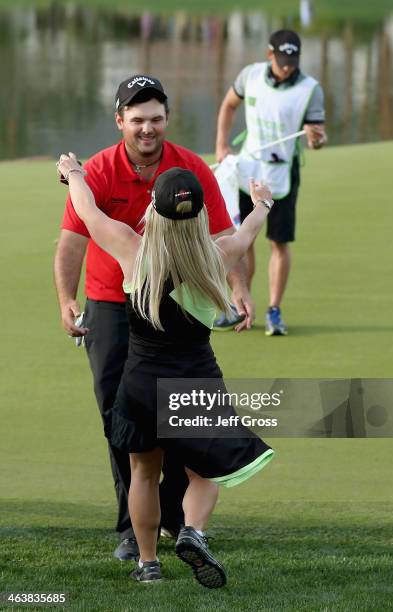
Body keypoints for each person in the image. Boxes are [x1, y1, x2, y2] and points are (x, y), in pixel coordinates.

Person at [54, 75, 253, 561]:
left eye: (157, 119)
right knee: (121, 420)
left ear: (167, 119)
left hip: (173, 306)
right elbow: (73, 240)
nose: (148, 129)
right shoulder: (101, 169)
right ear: (120, 120)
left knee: (172, 420)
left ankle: (168, 522)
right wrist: (66, 298)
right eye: (138, 119)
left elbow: (226, 232)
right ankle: (132, 528)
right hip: (110, 305)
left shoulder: (190, 169)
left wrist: (240, 287)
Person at [215, 30, 327, 335]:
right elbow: (228, 105)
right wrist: (221, 144)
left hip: (281, 176)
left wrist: (317, 139)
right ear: (269, 55)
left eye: (292, 61)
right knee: (242, 240)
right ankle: (241, 305)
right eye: (281, 60)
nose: (287, 66)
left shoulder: (310, 89)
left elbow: (317, 139)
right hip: (247, 170)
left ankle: (274, 311)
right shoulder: (250, 75)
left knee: (279, 242)